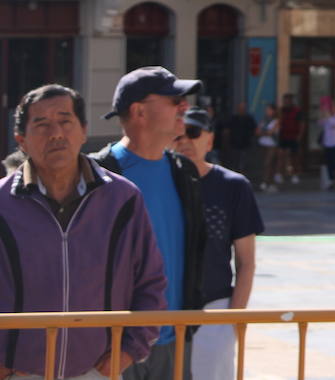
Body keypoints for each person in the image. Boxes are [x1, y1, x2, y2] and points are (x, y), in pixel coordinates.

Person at [0, 85, 167, 380]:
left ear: (83, 131)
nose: (56, 133)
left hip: (97, 370)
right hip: (17, 371)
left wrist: (127, 351)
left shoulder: (123, 199)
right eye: (42, 124)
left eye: (65, 121)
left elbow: (150, 283)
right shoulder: (3, 204)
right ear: (21, 140)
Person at [90, 66, 207, 380]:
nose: (184, 106)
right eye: (173, 100)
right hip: (113, 344)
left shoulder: (185, 171)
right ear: (139, 111)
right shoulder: (96, 175)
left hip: (176, 338)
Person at [172, 108, 264, 380]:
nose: (185, 140)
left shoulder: (233, 186)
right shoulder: (160, 183)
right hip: (162, 311)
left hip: (215, 309)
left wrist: (232, 322)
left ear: (209, 141)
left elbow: (246, 262)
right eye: (178, 135)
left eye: (194, 133)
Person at [318, 96, 335, 189]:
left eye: (334, 106)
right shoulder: (328, 116)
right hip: (328, 143)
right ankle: (331, 181)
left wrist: (328, 115)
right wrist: (323, 113)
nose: (332, 108)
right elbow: (320, 123)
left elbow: (334, 124)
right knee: (330, 163)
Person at [224, 103, 256, 178]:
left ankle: (243, 176)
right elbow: (227, 131)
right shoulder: (233, 118)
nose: (241, 110)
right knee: (235, 161)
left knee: (244, 162)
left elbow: (254, 130)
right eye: (240, 108)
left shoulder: (249, 118)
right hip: (234, 143)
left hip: (245, 144)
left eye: (243, 108)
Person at [277, 94, 302, 184]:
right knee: (281, 155)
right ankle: (280, 174)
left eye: (288, 101)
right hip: (283, 136)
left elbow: (302, 124)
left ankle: (295, 174)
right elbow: (278, 122)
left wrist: (299, 135)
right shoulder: (281, 111)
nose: (286, 103)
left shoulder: (297, 111)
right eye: (285, 101)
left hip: (293, 136)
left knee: (294, 156)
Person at [258, 103, 281, 191]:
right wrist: (264, 132)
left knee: (269, 163)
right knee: (264, 163)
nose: (267, 111)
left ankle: (268, 181)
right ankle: (265, 181)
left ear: (274, 111)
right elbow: (257, 131)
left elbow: (271, 132)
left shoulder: (276, 120)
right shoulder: (263, 120)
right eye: (266, 110)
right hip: (263, 144)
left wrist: (264, 132)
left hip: (272, 144)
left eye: (269, 110)